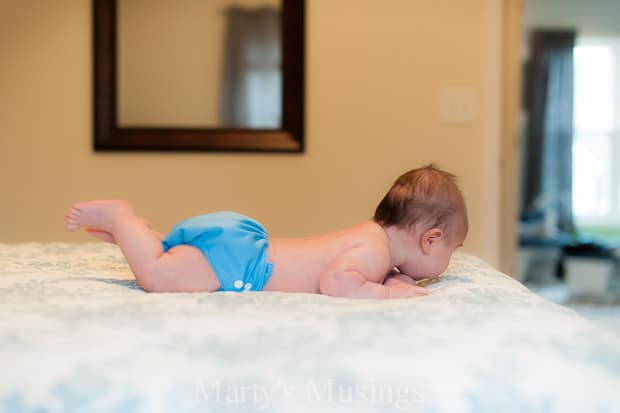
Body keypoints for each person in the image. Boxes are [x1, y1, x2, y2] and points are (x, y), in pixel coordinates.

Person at [64, 165, 468, 299]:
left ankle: (138, 235)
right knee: (155, 277)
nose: (445, 265)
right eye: (451, 250)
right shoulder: (375, 252)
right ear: (429, 238)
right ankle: (122, 219)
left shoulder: (371, 237)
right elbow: (336, 281)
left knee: (166, 264)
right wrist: (387, 292)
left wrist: (393, 276)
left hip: (240, 246)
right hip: (243, 262)